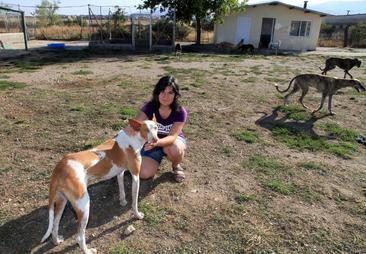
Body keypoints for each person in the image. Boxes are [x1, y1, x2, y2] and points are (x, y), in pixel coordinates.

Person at [127, 75, 188, 182]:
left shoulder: (180, 111)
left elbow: (173, 137)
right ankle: (155, 159)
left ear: (175, 95)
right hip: (151, 143)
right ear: (157, 92)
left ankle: (176, 165)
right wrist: (116, 141)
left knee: (175, 149)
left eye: (170, 93)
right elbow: (134, 125)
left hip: (171, 143)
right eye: (162, 92)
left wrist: (157, 142)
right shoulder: (150, 106)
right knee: (143, 174)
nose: (166, 96)